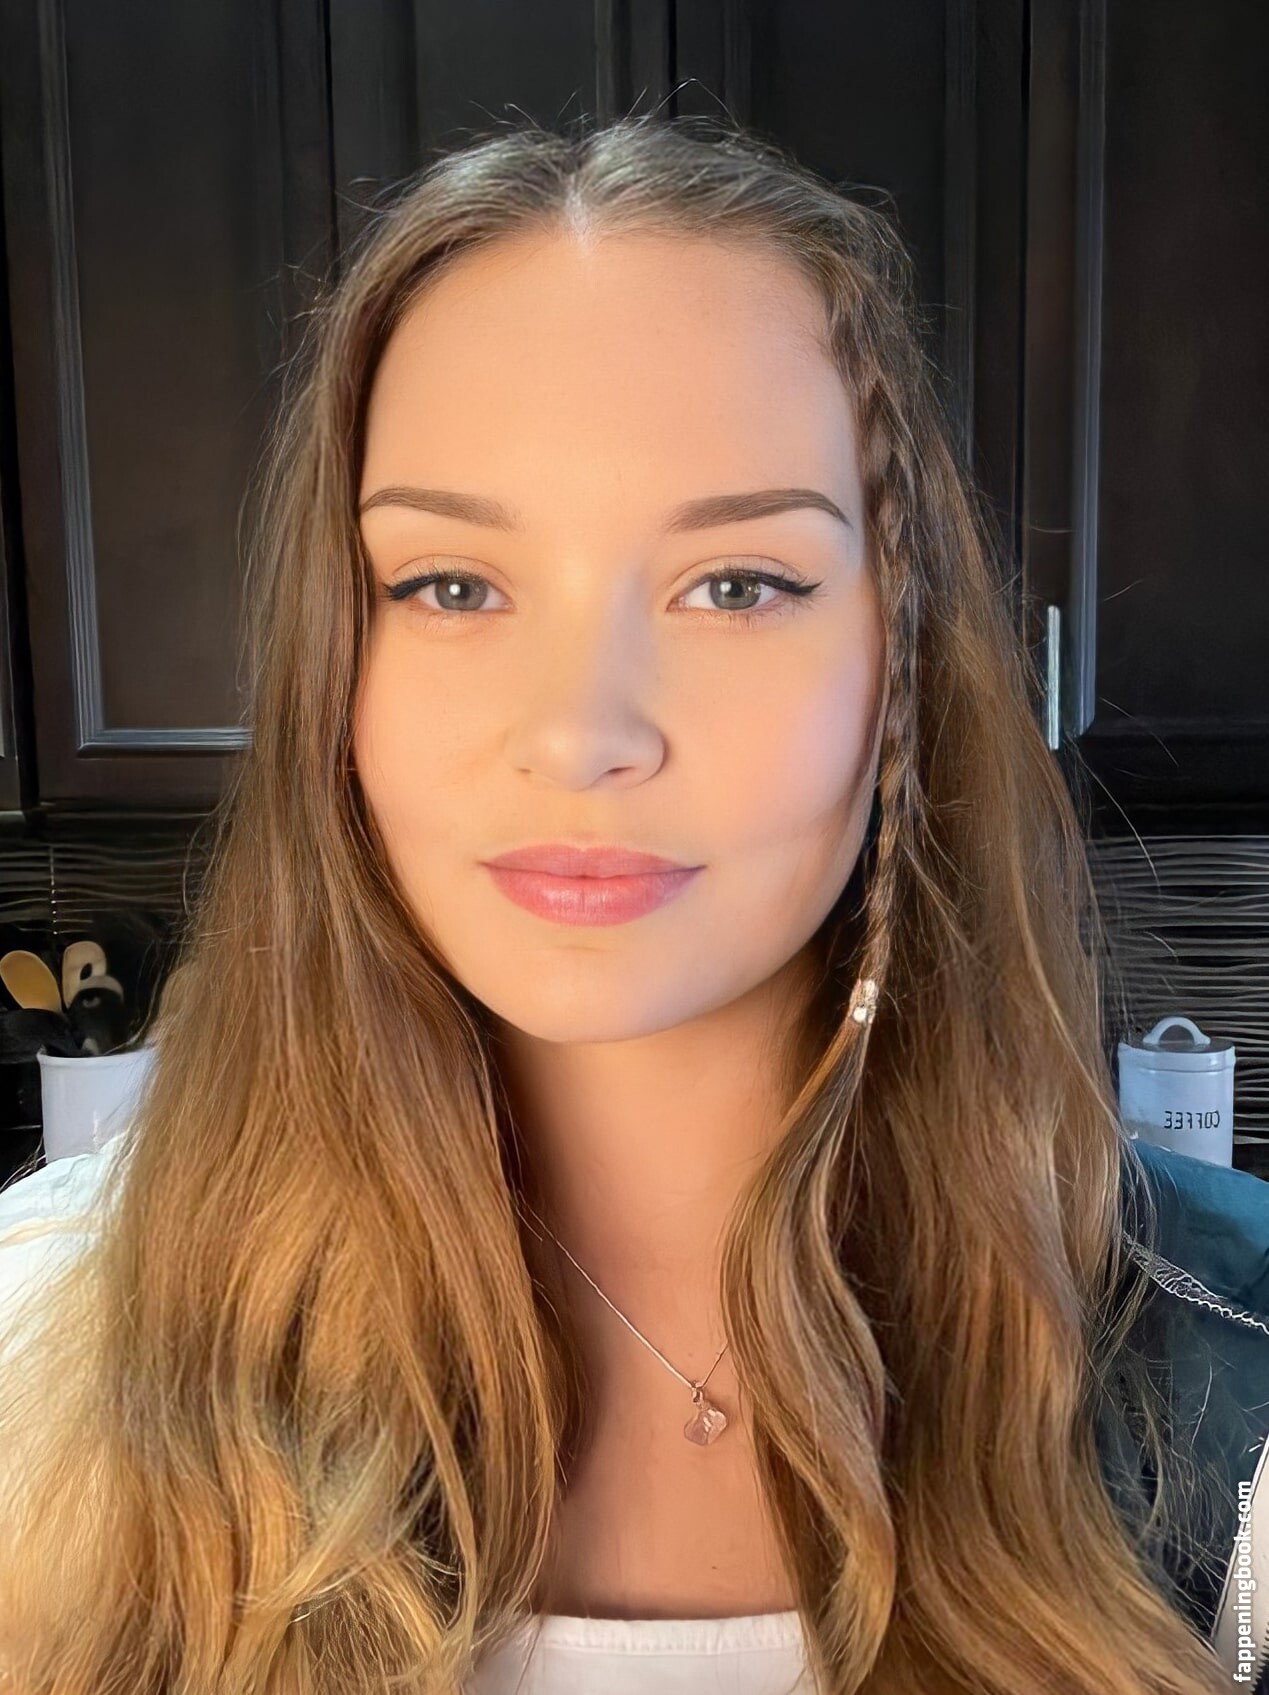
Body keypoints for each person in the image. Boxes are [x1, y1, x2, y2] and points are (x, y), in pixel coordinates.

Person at [0, 112, 1265, 1695]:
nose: (581, 734)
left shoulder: (1235, 1387)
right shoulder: (41, 1347)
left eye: (736, 585)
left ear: (901, 668)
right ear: (337, 666)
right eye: (450, 586)